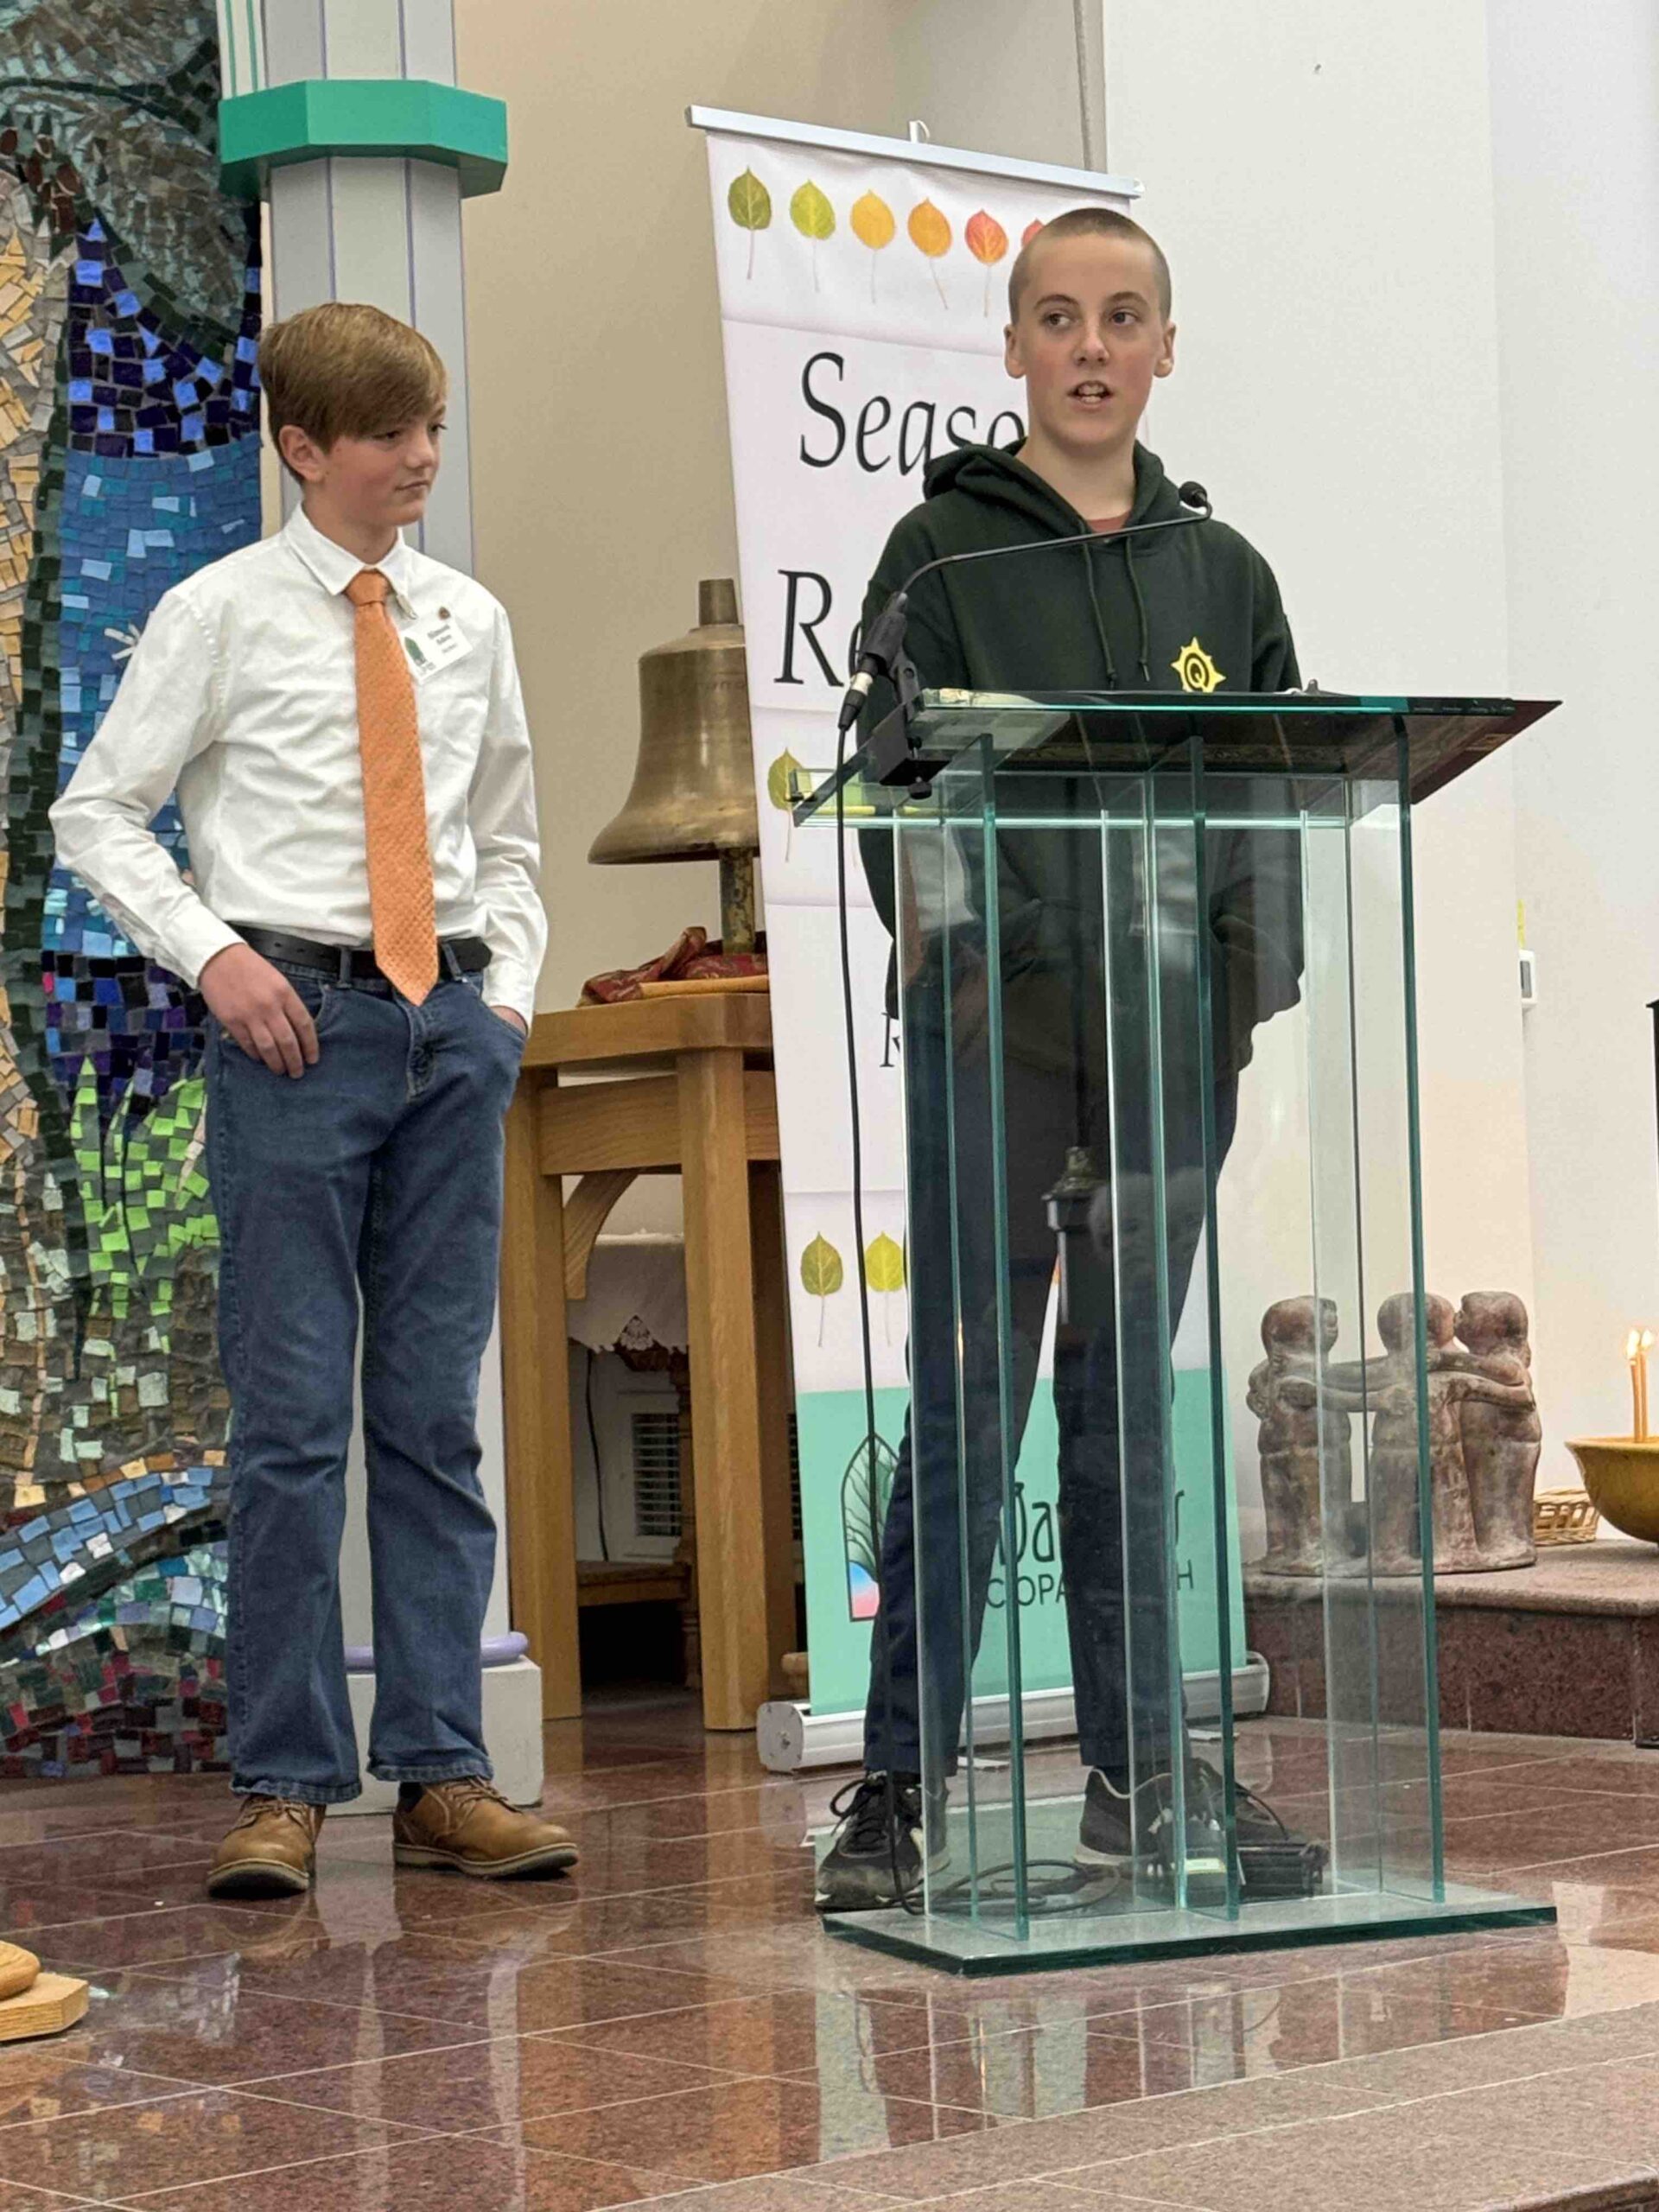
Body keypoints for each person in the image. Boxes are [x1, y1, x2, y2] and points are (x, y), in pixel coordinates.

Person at [50, 302, 577, 1898]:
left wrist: (504, 1002)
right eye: (390, 435)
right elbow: (98, 815)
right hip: (291, 1031)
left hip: (447, 1031)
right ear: (302, 448)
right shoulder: (216, 612)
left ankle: (443, 1771)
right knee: (288, 1425)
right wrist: (215, 959)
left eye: (432, 429)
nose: (422, 458)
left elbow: (508, 837)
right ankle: (282, 1783)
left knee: (431, 1417)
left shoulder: (467, 619)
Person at [818, 207, 1308, 1911]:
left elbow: (1274, 809)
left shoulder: (1226, 574)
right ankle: (899, 1786)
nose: (1091, 348)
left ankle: (1139, 1772)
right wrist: (1010, 978)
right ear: (1013, 343)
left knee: (1121, 1413)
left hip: (1171, 1058)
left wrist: (1227, 993)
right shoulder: (939, 559)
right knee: (972, 1406)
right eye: (1058, 317)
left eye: (1121, 317)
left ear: (1166, 346)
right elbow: (899, 805)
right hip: (999, 1053)